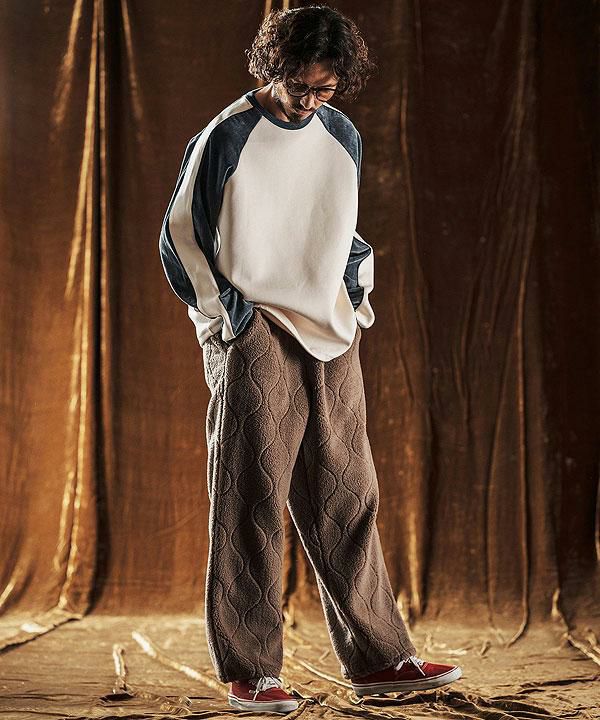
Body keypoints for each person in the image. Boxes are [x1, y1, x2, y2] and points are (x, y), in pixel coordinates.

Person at [159, 4, 462, 714]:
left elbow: (341, 225)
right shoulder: (227, 135)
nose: (309, 101)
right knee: (253, 495)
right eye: (299, 86)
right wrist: (230, 319)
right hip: (255, 325)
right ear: (274, 66)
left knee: (349, 493)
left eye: (325, 89)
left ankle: (381, 658)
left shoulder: (341, 135)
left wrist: (353, 294)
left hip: (329, 325)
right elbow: (181, 237)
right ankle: (252, 670)